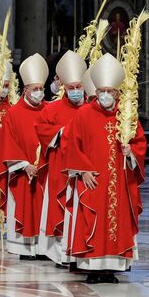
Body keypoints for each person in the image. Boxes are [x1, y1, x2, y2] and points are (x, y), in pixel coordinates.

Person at [62, 54, 146, 284]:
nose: (106, 96)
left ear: (117, 93)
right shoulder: (83, 114)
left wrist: (131, 154)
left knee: (116, 222)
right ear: (96, 92)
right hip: (93, 179)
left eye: (111, 91)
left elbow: (139, 144)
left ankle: (110, 269)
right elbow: (71, 144)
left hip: (119, 180)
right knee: (93, 220)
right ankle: (92, 267)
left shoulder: (126, 116)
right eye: (102, 92)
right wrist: (83, 170)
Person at [35, 50, 87, 265]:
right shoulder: (52, 109)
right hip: (60, 168)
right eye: (71, 88)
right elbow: (41, 129)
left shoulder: (91, 108)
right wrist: (63, 133)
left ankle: (81, 249)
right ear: (65, 88)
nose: (75, 91)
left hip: (85, 170)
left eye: (78, 87)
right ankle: (60, 254)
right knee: (59, 209)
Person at [0, 53, 49, 260]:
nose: (39, 93)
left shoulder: (49, 110)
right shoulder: (14, 113)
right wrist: (25, 165)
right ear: (25, 90)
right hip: (22, 172)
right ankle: (24, 248)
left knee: (43, 210)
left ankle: (44, 247)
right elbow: (8, 143)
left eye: (40, 89)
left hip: (44, 172)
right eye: (34, 89)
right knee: (25, 207)